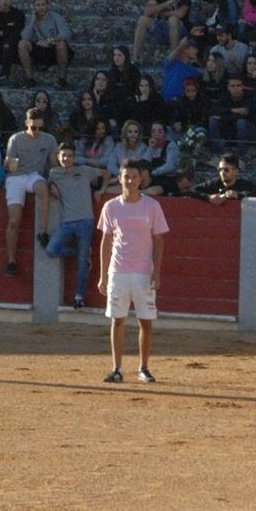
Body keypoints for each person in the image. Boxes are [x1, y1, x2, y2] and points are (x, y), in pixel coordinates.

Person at [95, 162, 166, 383]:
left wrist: (157, 271)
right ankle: (117, 368)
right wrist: (103, 274)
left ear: (140, 179)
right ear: (120, 178)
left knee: (145, 320)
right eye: (126, 177)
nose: (130, 181)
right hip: (119, 270)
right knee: (118, 319)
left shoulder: (152, 206)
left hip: (144, 272)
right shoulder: (111, 207)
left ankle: (143, 368)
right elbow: (106, 242)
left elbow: (159, 240)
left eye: (134, 177)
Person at [43, 140, 105, 309]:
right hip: (67, 222)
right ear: (58, 157)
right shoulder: (54, 173)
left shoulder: (84, 170)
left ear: (74, 157)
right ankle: (79, 253)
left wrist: (101, 190)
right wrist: (50, 186)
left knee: (82, 263)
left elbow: (105, 174)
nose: (67, 159)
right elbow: (46, 182)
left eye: (70, 156)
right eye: (64, 156)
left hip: (85, 221)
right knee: (51, 250)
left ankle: (78, 296)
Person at [3, 107, 57, 276]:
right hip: (16, 176)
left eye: (40, 128)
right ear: (26, 124)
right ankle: (11, 260)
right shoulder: (16, 139)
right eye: (33, 127)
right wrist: (11, 163)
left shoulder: (49, 139)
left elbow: (54, 164)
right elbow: (9, 166)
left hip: (34, 175)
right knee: (13, 221)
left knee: (42, 186)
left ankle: (42, 231)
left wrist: (54, 181)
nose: (36, 131)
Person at [18, 0, 73, 87]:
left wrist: (49, 41)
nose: (41, 8)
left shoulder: (56, 16)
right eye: (38, 5)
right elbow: (24, 37)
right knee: (22, 44)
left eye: (43, 5)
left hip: (53, 49)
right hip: (39, 49)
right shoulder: (32, 19)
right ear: (34, 6)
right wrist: (32, 22)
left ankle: (62, 79)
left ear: (48, 5)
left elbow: (66, 33)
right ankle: (29, 79)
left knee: (61, 43)